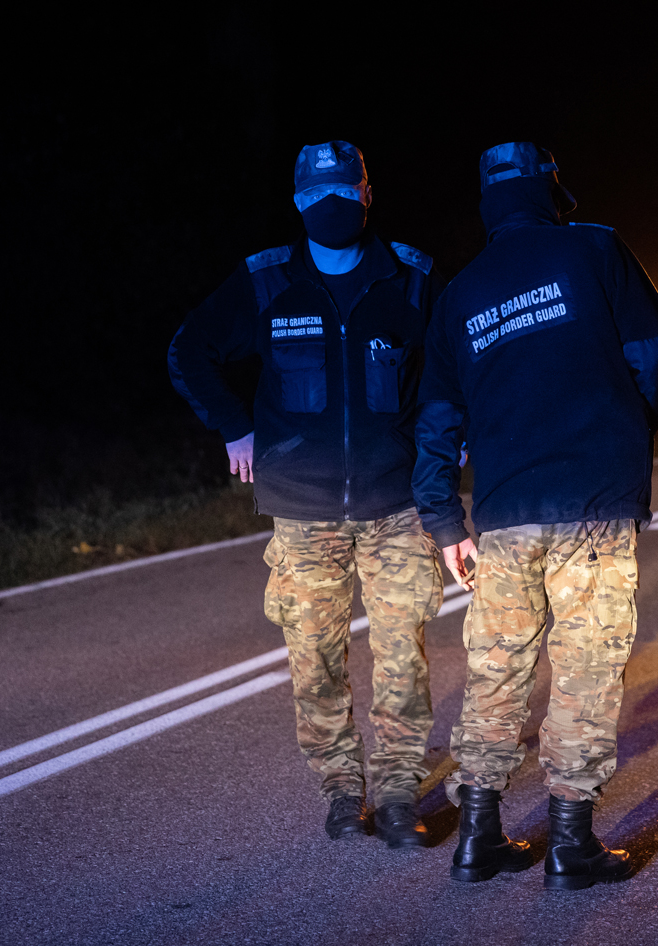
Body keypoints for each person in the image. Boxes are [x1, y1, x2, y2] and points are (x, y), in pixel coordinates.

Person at [168, 140, 445, 848]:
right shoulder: (266, 283)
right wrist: (233, 427)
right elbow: (188, 351)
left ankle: (395, 794)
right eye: (318, 194)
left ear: (367, 192)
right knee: (314, 661)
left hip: (395, 504)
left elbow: (449, 370)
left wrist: (454, 432)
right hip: (301, 510)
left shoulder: (411, 279)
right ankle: (339, 789)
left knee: (401, 658)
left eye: (345, 191)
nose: (334, 205)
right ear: (297, 201)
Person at [413, 142, 658, 889]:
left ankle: (478, 839)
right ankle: (571, 847)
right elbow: (654, 353)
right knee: (585, 673)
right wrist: (635, 423)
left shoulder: (459, 294)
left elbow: (435, 420)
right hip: (591, 503)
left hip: (500, 518)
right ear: (552, 190)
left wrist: (444, 523)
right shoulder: (593, 249)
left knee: (496, 673)